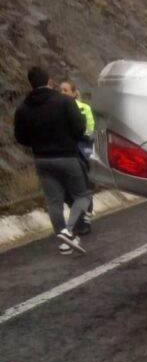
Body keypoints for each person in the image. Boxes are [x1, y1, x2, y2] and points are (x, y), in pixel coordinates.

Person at [14, 66, 90, 254]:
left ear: (30, 83)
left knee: (54, 201)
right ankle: (69, 231)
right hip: (66, 156)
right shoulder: (64, 101)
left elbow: (20, 138)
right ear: (49, 81)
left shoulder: (23, 108)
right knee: (82, 195)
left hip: (42, 160)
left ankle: (65, 242)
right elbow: (80, 128)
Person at [60, 79, 95, 233]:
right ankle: (77, 218)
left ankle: (85, 220)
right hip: (64, 153)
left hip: (81, 151)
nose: (62, 93)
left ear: (74, 93)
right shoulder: (56, 109)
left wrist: (79, 135)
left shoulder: (84, 108)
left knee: (85, 187)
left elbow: (90, 129)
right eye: (60, 90)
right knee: (67, 191)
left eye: (65, 90)